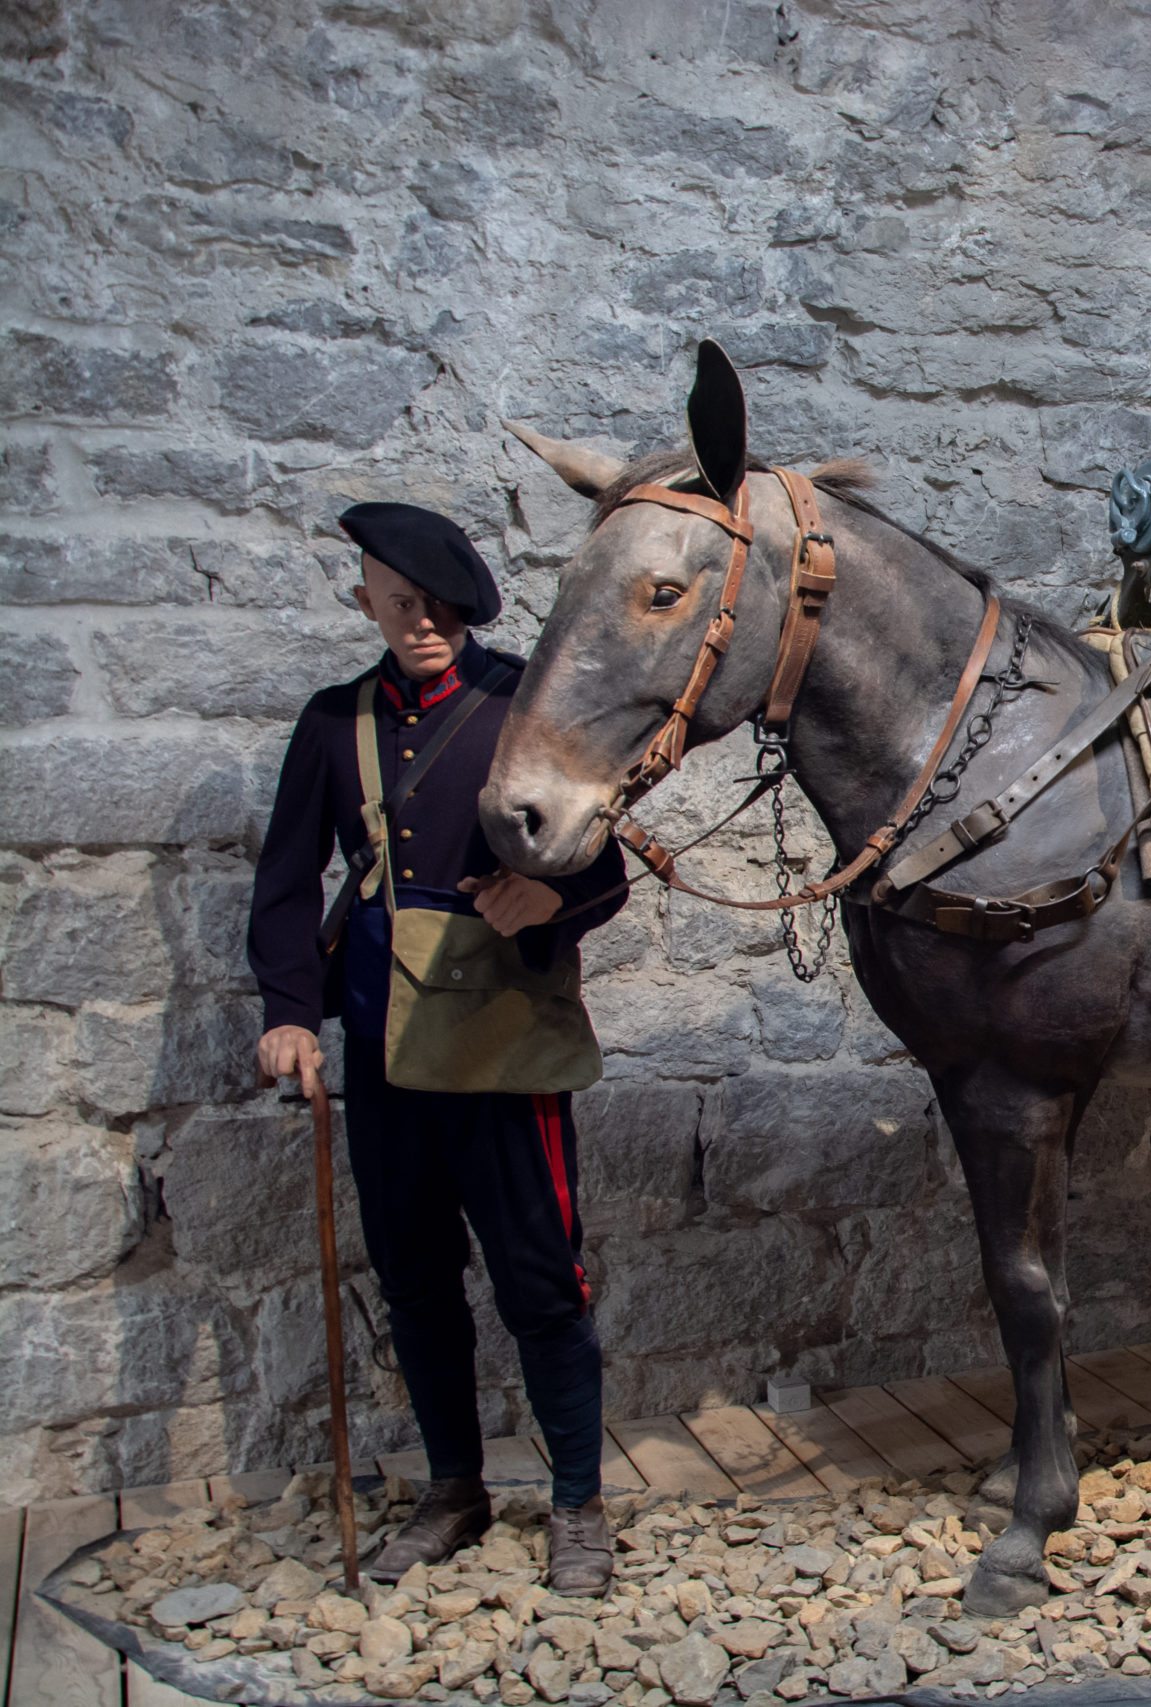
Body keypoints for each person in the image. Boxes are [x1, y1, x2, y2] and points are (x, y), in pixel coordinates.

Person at [247, 503, 629, 1591]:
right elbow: (285, 884)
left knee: (542, 1281)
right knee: (415, 1277)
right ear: (367, 600)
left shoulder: (523, 705)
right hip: (382, 1042)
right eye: (401, 603)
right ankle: (454, 1489)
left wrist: (545, 895)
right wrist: (287, 1011)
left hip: (504, 1041)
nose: (423, 625)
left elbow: (608, 858)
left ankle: (577, 1505)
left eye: (442, 606)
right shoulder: (333, 726)